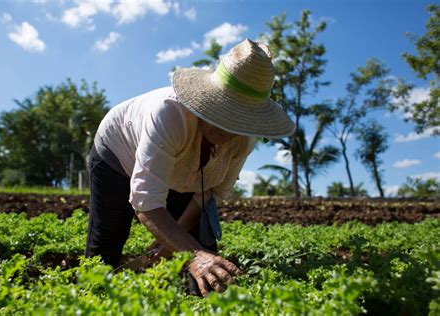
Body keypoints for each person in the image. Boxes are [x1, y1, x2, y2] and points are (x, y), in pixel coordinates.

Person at [85, 38, 295, 297]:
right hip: (117, 153)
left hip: (182, 173)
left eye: (237, 119)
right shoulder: (170, 114)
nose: (227, 127)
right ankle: (92, 299)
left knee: (206, 261)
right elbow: (146, 200)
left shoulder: (244, 141)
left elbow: (209, 194)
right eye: (222, 111)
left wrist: (173, 248)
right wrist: (194, 255)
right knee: (108, 240)